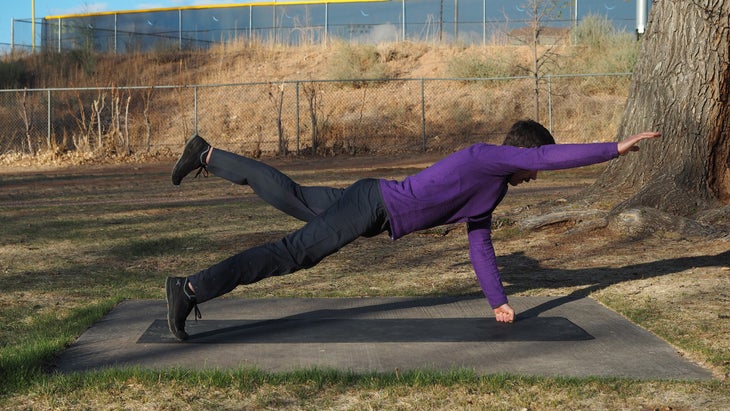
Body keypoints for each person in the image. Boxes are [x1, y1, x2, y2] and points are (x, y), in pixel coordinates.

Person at [165, 119, 660, 341]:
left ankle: (206, 154)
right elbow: (547, 157)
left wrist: (497, 299)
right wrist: (612, 149)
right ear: (521, 155)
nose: (534, 177)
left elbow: (480, 240)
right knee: (290, 254)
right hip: (371, 207)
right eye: (531, 168)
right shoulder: (487, 157)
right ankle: (189, 288)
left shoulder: (493, 189)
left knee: (290, 196)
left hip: (371, 202)